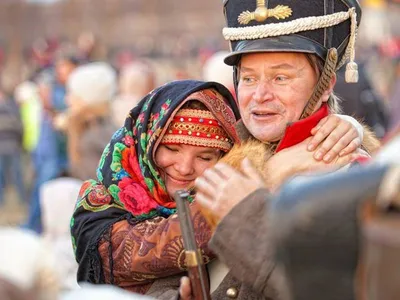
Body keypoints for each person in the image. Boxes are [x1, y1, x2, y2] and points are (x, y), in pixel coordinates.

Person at [72, 77, 365, 299]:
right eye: (171, 148)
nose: (185, 167)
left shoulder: (206, 186)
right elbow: (154, 246)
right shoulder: (100, 207)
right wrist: (269, 174)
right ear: (145, 140)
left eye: (205, 157)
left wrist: (339, 125)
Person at [181, 0, 382, 298]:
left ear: (326, 85)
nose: (260, 95)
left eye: (280, 78)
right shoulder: (209, 149)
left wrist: (246, 215)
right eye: (249, 78)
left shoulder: (354, 177)